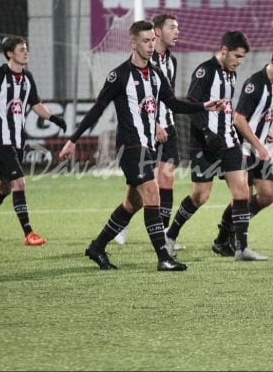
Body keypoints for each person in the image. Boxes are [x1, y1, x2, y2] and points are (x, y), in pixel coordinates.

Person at [58, 20, 223, 272]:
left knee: (131, 204)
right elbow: (97, 110)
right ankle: (163, 258)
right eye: (146, 41)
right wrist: (73, 139)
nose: (150, 45)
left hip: (149, 146)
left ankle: (97, 247)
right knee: (152, 193)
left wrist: (203, 105)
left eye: (152, 40)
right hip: (131, 148)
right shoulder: (119, 75)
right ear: (133, 43)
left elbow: (174, 104)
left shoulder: (156, 73)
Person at [164, 30, 264, 261]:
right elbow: (191, 104)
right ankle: (170, 235)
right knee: (200, 196)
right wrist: (207, 133)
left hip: (228, 142)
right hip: (204, 145)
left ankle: (241, 248)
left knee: (242, 191)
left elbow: (226, 109)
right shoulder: (205, 71)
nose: (239, 62)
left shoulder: (231, 75)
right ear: (224, 50)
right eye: (237, 57)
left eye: (242, 58)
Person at [0, 37, 67, 246]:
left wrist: (53, 118)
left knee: (4, 187)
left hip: (18, 140)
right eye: (21, 50)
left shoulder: (27, 78)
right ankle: (29, 234)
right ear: (10, 53)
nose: (26, 53)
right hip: (0, 140)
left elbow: (35, 104)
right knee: (19, 183)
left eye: (26, 49)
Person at [213, 42, 273, 260]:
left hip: (256, 145)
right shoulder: (255, 83)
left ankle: (225, 237)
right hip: (243, 147)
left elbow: (258, 112)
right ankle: (231, 241)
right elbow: (238, 118)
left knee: (267, 195)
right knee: (242, 195)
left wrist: (266, 128)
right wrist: (259, 145)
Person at [113, 13, 183, 250]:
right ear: (157, 32)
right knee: (140, 185)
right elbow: (139, 100)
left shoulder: (171, 62)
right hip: (147, 129)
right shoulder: (140, 62)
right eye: (172, 28)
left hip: (169, 126)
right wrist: (153, 123)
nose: (177, 32)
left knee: (167, 178)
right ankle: (121, 225)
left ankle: (164, 234)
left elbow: (167, 97)